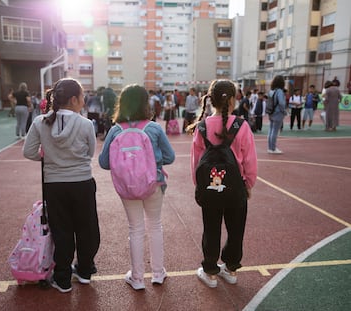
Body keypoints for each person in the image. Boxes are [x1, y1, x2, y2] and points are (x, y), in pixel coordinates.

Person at [23, 78, 100, 293]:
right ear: (74, 99)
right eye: (82, 97)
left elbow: (28, 151)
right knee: (87, 228)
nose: (84, 100)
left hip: (54, 184)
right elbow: (89, 153)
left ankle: (63, 278)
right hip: (82, 182)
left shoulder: (40, 122)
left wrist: (50, 160)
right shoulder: (85, 124)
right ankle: (85, 271)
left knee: (61, 230)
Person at [98, 84, 175, 290]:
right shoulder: (154, 128)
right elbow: (170, 156)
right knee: (155, 225)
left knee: (135, 228)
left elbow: (104, 162)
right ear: (145, 103)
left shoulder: (115, 130)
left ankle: (138, 278)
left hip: (127, 187)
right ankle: (158, 273)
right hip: (153, 183)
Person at [190, 79, 257, 288]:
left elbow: (196, 163)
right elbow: (250, 159)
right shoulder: (242, 125)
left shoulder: (201, 127)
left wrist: (199, 186)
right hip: (236, 188)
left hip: (210, 188)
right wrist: (249, 184)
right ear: (234, 100)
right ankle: (231, 269)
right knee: (236, 229)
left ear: (211, 100)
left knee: (211, 229)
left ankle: (210, 271)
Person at [267, 75, 287, 154]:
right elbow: (281, 103)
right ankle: (273, 148)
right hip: (278, 113)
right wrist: (284, 111)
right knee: (275, 131)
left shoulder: (271, 91)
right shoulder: (279, 91)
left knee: (271, 130)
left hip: (271, 112)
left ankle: (270, 147)